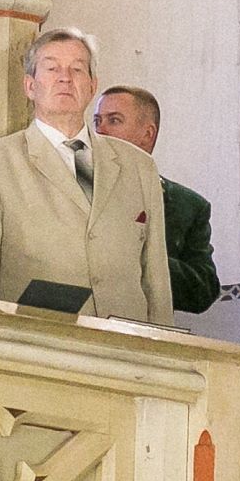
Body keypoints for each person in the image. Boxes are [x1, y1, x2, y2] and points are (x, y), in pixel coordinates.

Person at [0, 28, 171, 322]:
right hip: (41, 345)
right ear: (29, 86)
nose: (65, 77)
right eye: (52, 68)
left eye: (77, 69)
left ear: (92, 86)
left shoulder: (138, 167)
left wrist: (162, 352)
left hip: (126, 349)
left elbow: (156, 279)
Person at [93, 84, 219, 315]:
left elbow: (203, 290)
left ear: (147, 134)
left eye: (114, 120)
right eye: (97, 121)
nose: (100, 131)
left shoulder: (187, 207)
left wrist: (145, 256)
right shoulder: (74, 186)